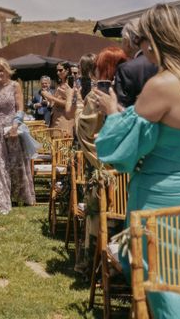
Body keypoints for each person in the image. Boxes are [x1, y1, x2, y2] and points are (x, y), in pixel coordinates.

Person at [95, 4, 180, 319]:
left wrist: (111, 111)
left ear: (154, 40)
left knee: (160, 276)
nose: (139, 46)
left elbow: (123, 148)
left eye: (143, 39)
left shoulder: (162, 85)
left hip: (158, 195)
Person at [72, 46, 127, 274]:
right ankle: (109, 264)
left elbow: (84, 129)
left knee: (100, 214)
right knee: (111, 214)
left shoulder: (103, 95)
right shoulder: (118, 93)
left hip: (104, 164)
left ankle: (98, 264)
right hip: (115, 166)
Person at [0, 58, 35, 214]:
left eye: (1, 70)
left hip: (12, 127)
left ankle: (18, 195)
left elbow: (20, 109)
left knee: (14, 163)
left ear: (7, 70)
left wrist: (16, 125)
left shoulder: (15, 86)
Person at [114, 18, 158, 108]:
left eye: (122, 40)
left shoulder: (126, 69)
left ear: (127, 41)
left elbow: (121, 109)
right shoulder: (166, 61)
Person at [43, 61, 75, 135]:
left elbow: (69, 103)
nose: (58, 72)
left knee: (62, 144)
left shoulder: (70, 85)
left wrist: (51, 97)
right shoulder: (60, 84)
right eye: (57, 70)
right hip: (55, 118)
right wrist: (49, 100)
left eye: (60, 70)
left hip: (64, 120)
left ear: (67, 70)